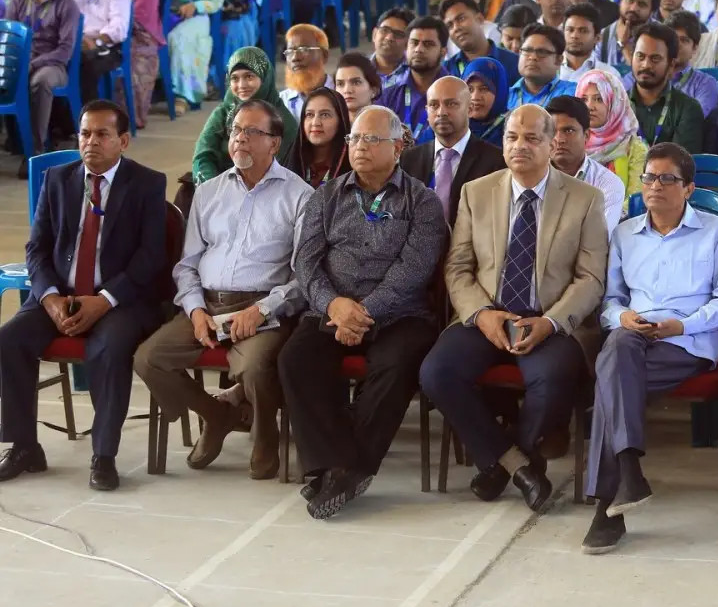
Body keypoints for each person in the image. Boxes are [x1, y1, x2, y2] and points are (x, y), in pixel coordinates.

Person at [419, 104, 609, 512]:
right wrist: (481, 314)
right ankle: (519, 466)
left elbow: (591, 278)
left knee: (552, 378)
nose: (519, 146)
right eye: (511, 137)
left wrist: (551, 322)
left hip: (548, 319)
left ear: (551, 144)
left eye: (532, 138)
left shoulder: (586, 199)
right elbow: (458, 267)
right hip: (488, 314)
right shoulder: (477, 192)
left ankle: (501, 468)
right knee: (436, 372)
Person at [279, 105, 448, 519]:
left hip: (400, 314)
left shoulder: (423, 202)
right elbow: (306, 263)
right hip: (332, 307)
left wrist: (363, 312)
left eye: (371, 139)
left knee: (395, 364)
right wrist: (334, 305)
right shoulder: (326, 196)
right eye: (354, 138)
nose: (359, 147)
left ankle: (346, 469)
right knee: (296, 358)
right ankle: (338, 465)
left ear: (397, 147)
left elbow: (413, 271)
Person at [135, 100, 311, 479]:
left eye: (252, 132)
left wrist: (262, 310)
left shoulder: (299, 196)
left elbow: (304, 277)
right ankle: (216, 414)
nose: (240, 139)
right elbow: (187, 265)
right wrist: (196, 310)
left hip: (261, 309)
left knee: (255, 367)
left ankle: (265, 435)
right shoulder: (209, 192)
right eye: (236, 131)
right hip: (207, 304)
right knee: (149, 358)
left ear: (274, 143)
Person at [582, 142, 718, 551]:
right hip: (633, 337)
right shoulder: (625, 234)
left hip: (687, 343)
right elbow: (611, 300)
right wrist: (623, 317)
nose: (655, 186)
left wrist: (680, 325)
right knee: (618, 348)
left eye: (667, 179)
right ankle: (624, 479)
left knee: (609, 382)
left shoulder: (716, 232)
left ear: (688, 188)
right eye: (649, 178)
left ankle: (610, 502)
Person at [0, 101, 166, 490]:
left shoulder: (146, 183)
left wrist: (105, 299)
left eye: (102, 134)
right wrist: (50, 299)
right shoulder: (58, 180)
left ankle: (103, 455)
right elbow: (37, 249)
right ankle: (24, 446)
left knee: (108, 348)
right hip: (60, 295)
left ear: (123, 140)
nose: (91, 142)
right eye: (85, 133)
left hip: (120, 300)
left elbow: (151, 257)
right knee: (9, 340)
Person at [399, 75, 507, 227]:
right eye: (434, 105)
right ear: (427, 111)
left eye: (451, 104)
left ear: (469, 109)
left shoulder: (496, 161)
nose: (441, 112)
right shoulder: (408, 160)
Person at [5, 0, 78, 164]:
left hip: (52, 64)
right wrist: (20, 63)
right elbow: (9, 39)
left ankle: (35, 151)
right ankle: (14, 141)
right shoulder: (19, 0)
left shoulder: (67, 5)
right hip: (20, 61)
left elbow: (64, 50)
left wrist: (34, 63)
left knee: (40, 82)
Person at [192, 48, 298, 186]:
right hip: (221, 187)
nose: (242, 85)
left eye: (249, 76)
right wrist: (213, 189)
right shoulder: (223, 112)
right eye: (235, 78)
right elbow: (203, 156)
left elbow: (280, 172)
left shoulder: (283, 121)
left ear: (265, 79)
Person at [547, 95, 626, 227]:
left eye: (569, 131)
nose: (560, 139)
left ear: (586, 135)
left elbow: (600, 235)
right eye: (553, 131)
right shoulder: (532, 177)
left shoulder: (607, 184)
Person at [628, 21, 705, 150]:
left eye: (655, 58)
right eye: (640, 56)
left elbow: (681, 161)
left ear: (671, 65)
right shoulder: (616, 105)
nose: (646, 65)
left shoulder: (688, 109)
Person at [112, 0, 162, 129]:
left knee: (133, 62)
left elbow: (140, 18)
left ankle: (132, 117)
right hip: (116, 33)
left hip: (141, 36)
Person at [577, 66, 649, 196]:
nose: (589, 106)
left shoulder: (634, 148)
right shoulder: (571, 142)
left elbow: (635, 199)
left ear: (615, 104)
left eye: (599, 99)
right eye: (584, 99)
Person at [380, 15, 451, 145]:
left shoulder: (455, 92)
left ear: (443, 52)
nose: (419, 49)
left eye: (428, 44)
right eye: (414, 43)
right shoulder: (388, 91)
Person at [287, 87, 352, 189]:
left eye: (325, 115)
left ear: (341, 120)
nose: (315, 123)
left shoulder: (352, 167)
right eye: (309, 114)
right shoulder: (292, 161)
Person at [509, 22, 576, 109]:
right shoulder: (504, 96)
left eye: (542, 52)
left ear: (559, 60)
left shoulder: (572, 94)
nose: (533, 57)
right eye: (527, 50)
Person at [280, 24, 333, 120]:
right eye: (290, 52)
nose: (295, 57)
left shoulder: (344, 95)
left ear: (324, 56)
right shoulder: (280, 103)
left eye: (304, 50)